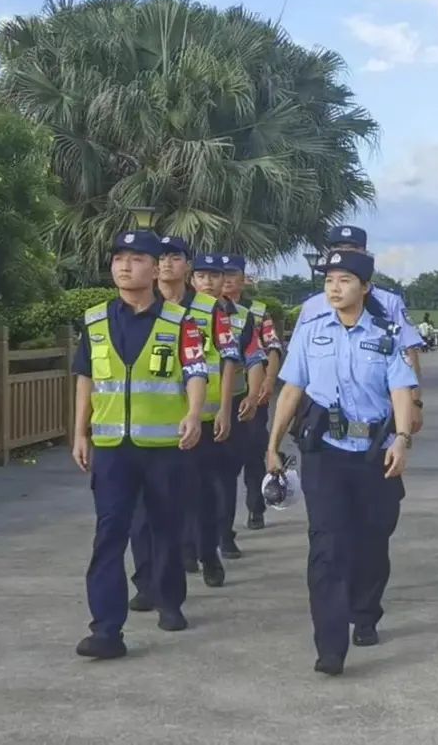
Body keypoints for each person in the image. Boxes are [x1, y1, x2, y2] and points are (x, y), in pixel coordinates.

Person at [266, 249, 418, 676]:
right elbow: (292, 390)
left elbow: (402, 390)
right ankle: (330, 646)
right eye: (329, 280)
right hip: (325, 452)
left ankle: (365, 613)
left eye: (345, 280)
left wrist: (402, 439)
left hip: (374, 453)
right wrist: (272, 443)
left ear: (365, 287)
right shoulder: (311, 331)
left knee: (372, 538)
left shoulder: (387, 334)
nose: (335, 288)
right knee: (327, 546)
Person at [71, 230, 208, 660]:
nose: (125, 267)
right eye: (119, 259)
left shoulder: (180, 321)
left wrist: (193, 413)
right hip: (113, 447)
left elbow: (196, 370)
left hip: (164, 446)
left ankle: (169, 600)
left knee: (165, 527)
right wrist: (80, 432)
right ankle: (106, 630)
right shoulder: (95, 320)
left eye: (136, 259)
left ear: (154, 268)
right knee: (109, 534)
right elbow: (86, 377)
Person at [128, 240, 238, 604]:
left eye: (175, 258)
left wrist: (224, 408)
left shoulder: (209, 308)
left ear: (186, 266)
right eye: (161, 258)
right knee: (149, 505)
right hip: (156, 425)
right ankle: (150, 580)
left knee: (202, 494)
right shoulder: (143, 307)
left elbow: (228, 357)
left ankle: (208, 553)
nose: (167, 264)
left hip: (202, 420)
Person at [295, 225, 425, 433]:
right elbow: (298, 364)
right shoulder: (313, 305)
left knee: (375, 445)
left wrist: (415, 402)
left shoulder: (389, 302)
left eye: (351, 248)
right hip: (322, 417)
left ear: (364, 252)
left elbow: (408, 352)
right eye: (338, 248)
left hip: (376, 406)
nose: (344, 253)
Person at [221, 258, 285, 531]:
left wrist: (268, 381)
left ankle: (256, 507)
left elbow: (272, 347)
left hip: (253, 393)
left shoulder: (257, 312)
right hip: (221, 395)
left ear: (243, 278)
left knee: (253, 451)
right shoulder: (207, 310)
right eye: (221, 274)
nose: (226, 280)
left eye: (232, 274)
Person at [217, 254, 266, 558]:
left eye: (227, 274)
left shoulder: (248, 315)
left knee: (232, 470)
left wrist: (256, 392)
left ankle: (226, 533)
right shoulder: (181, 314)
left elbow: (259, 356)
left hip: (235, 402)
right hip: (191, 409)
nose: (221, 281)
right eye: (210, 275)